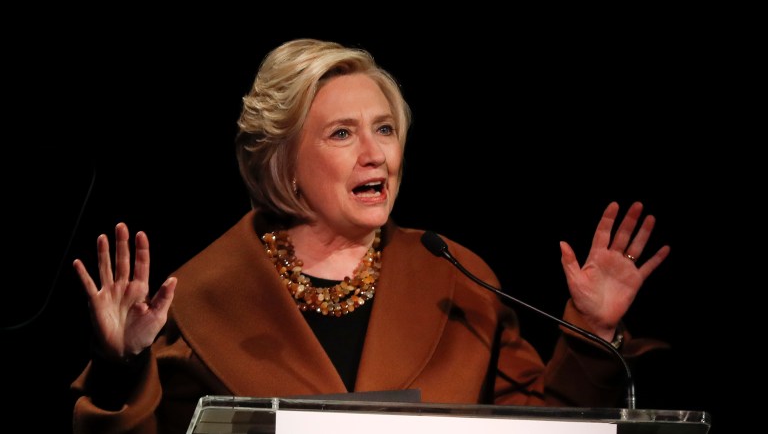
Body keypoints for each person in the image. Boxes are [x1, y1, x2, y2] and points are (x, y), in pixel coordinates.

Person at [70, 38, 671, 434]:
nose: (374, 155)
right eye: (341, 134)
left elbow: (539, 431)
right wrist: (121, 365)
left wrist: (592, 335)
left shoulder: (458, 280)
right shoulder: (198, 298)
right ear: (282, 160)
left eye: (384, 129)